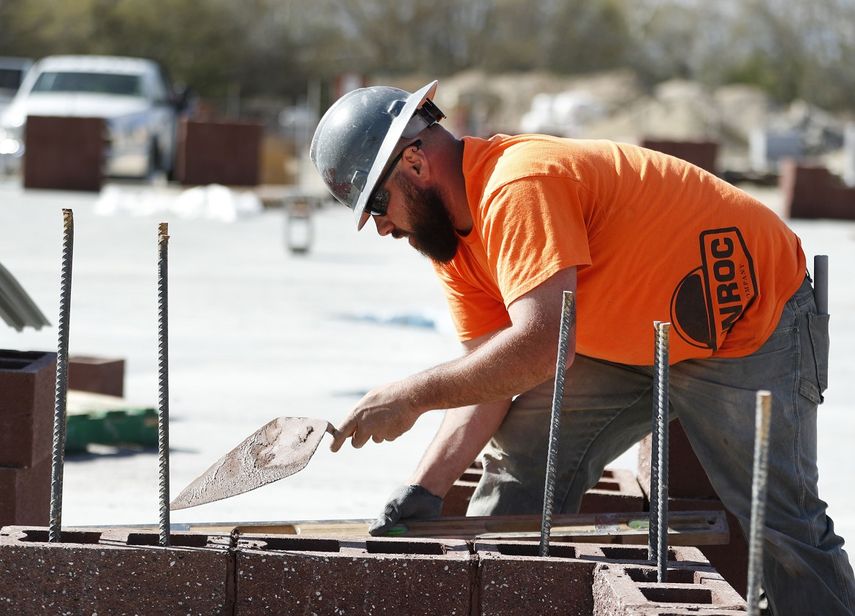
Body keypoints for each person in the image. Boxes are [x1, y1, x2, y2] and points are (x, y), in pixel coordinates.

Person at [310, 80, 855, 615]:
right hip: (624, 342)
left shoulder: (516, 186)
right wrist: (423, 492)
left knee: (781, 524)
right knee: (522, 466)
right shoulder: (452, 245)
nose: (380, 226)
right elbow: (493, 378)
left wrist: (411, 395)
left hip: (749, 325)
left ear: (414, 162)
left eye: (376, 202)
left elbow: (542, 346)